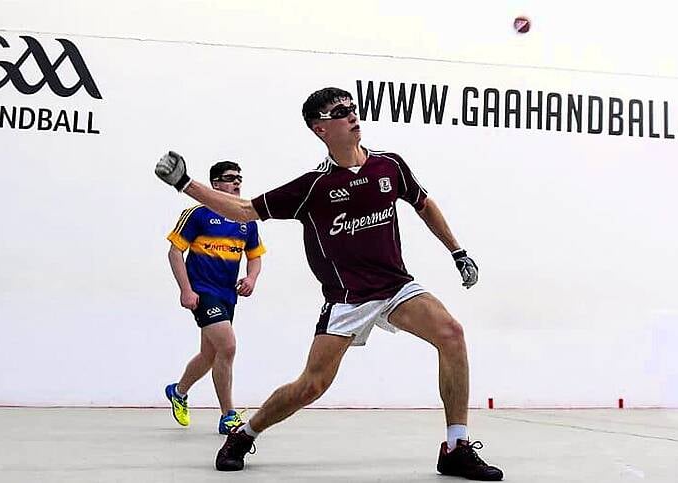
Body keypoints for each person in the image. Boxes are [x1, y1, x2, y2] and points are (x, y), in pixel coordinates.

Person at [155, 87, 503, 480]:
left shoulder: (390, 166)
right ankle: (244, 434)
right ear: (320, 129)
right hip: (346, 299)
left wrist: (457, 252)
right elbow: (244, 209)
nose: (353, 115)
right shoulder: (312, 187)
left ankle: (456, 447)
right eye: (341, 112)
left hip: (395, 288)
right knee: (311, 386)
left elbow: (424, 204)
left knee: (451, 333)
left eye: (353, 108)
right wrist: (185, 182)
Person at [163, 160, 266, 435]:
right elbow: (175, 252)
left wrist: (251, 278)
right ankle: (228, 415)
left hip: (227, 295)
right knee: (229, 347)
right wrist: (186, 289)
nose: (237, 183)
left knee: (210, 355)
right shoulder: (197, 214)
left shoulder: (246, 221)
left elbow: (255, 257)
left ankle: (178, 391)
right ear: (215, 184)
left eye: (239, 178)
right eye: (230, 178)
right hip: (203, 292)